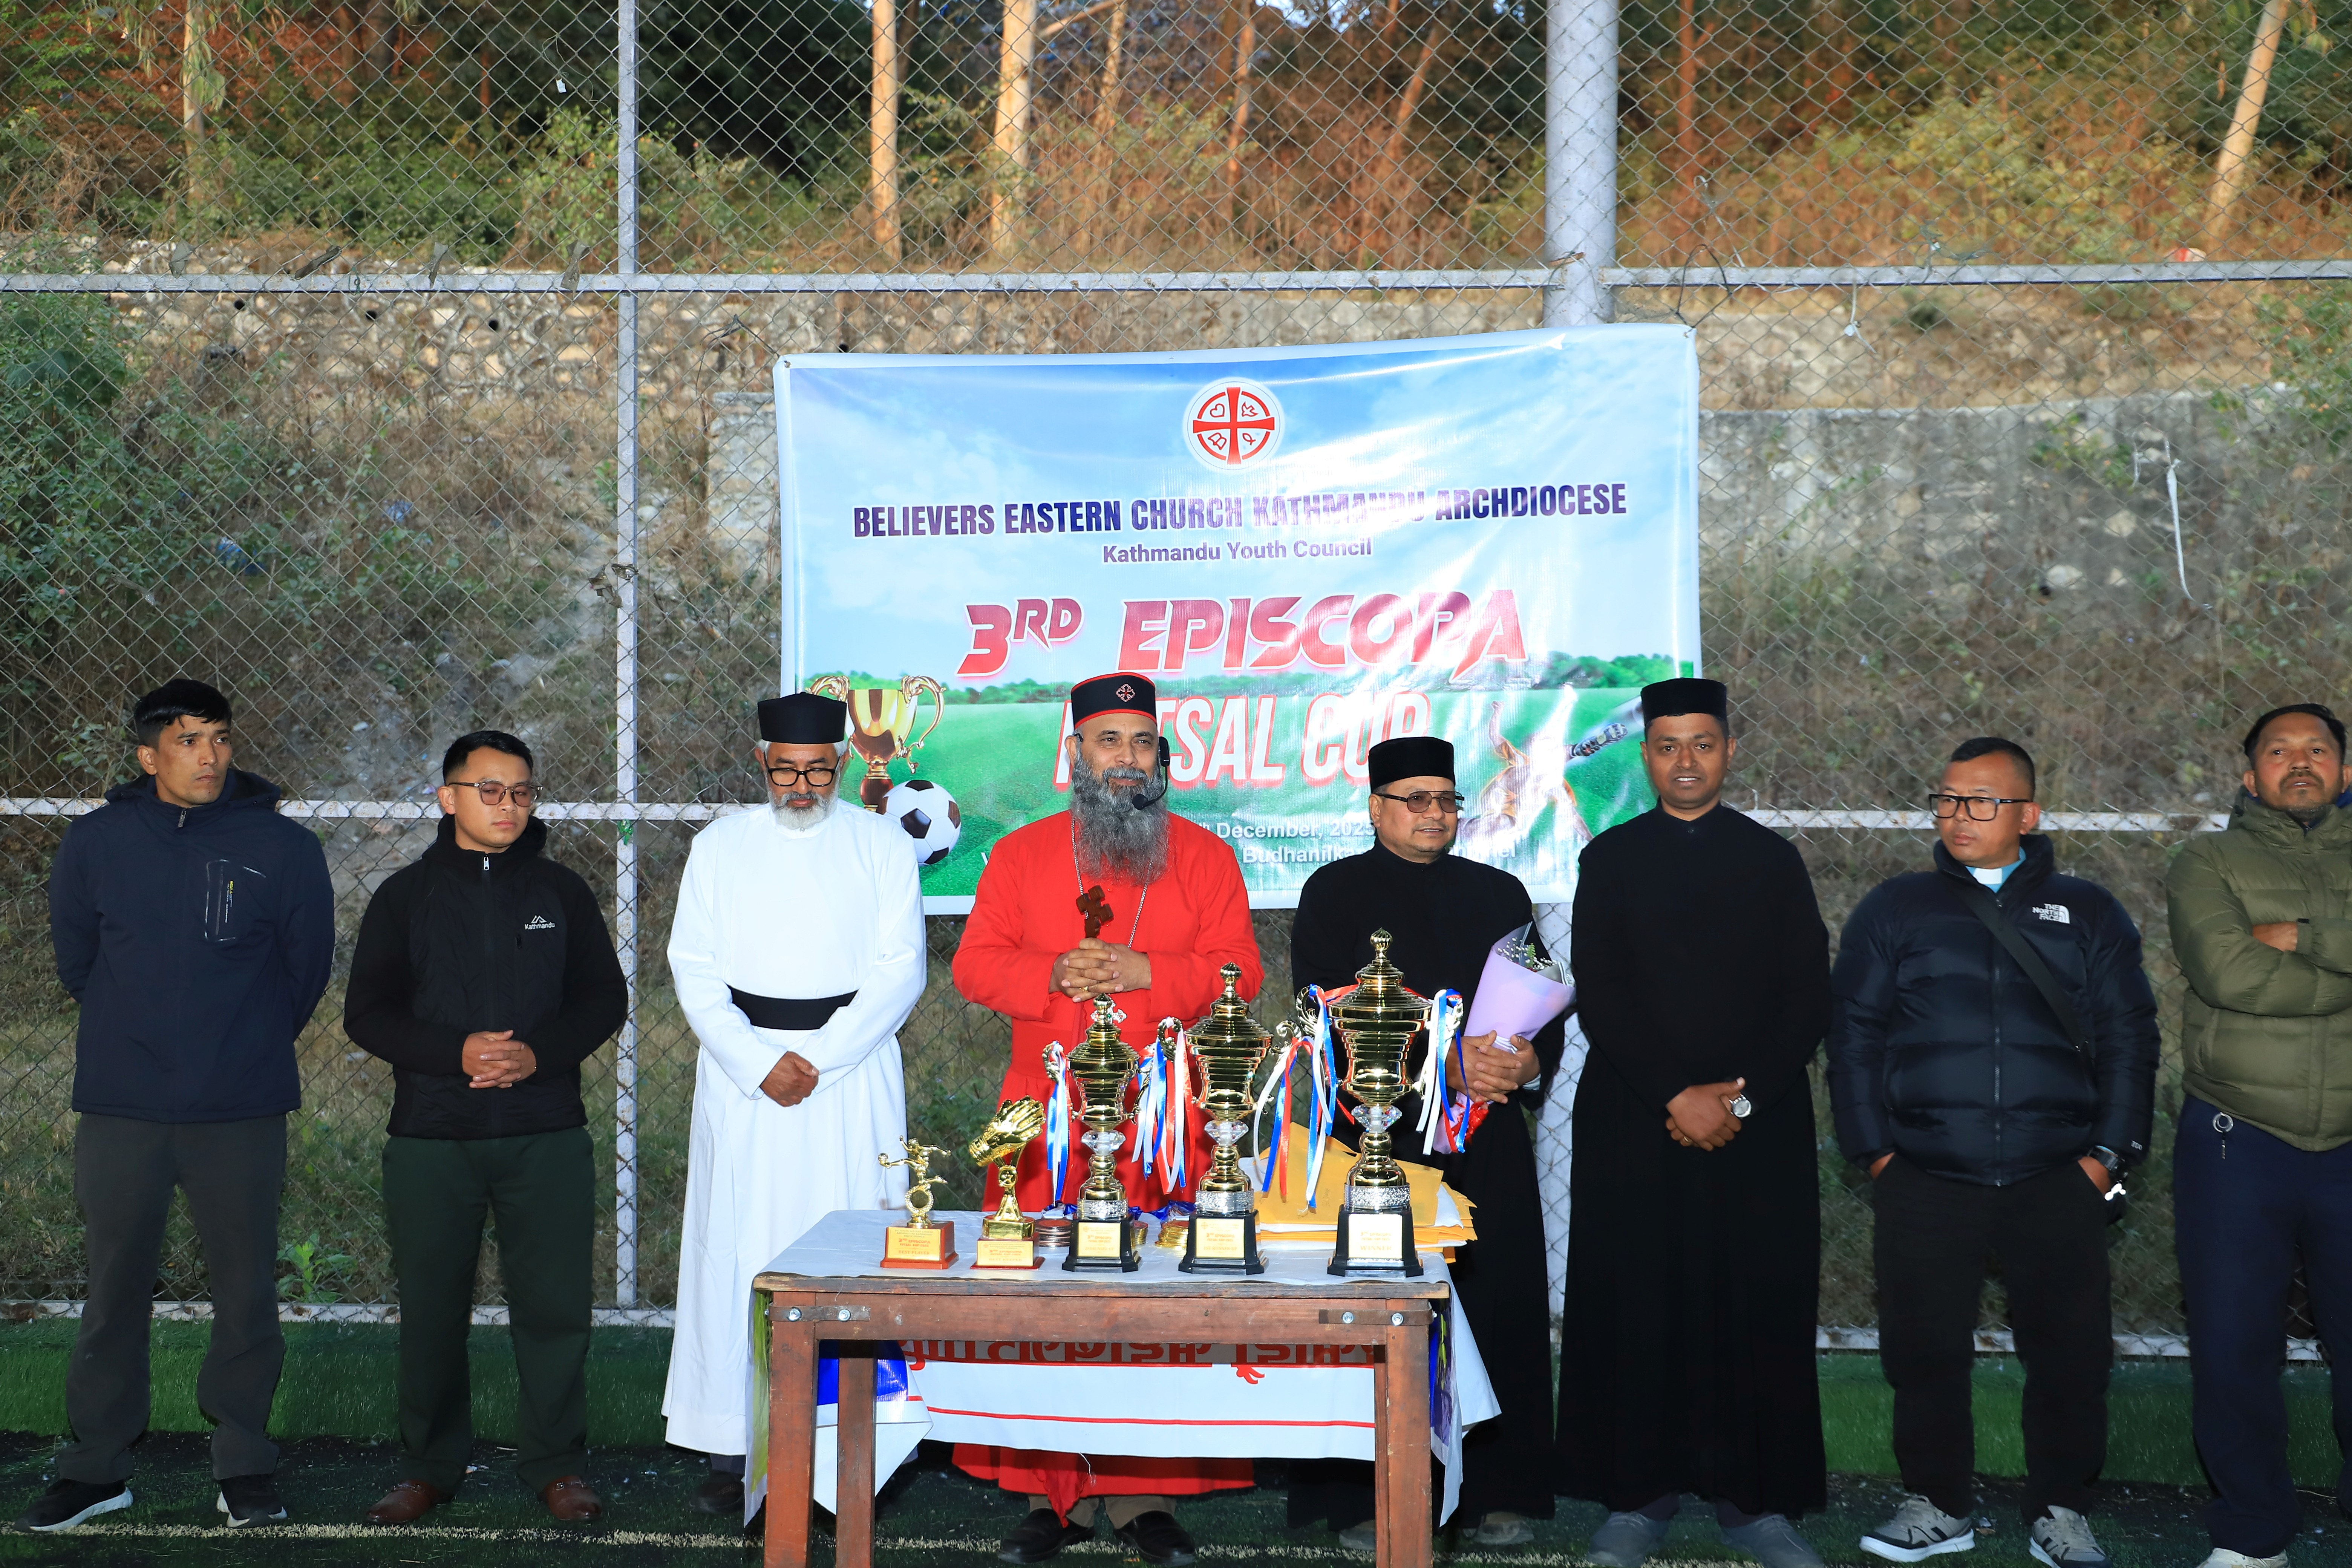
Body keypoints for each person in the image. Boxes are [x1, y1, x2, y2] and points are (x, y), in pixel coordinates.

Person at [952, 671, 1263, 1568]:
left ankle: (1143, 1492)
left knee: (1157, 1303)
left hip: (1163, 1113)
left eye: (1141, 742)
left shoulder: (1204, 856)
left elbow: (1237, 968)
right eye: (1107, 741)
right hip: (1042, 1111)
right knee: (1043, 1295)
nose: (1126, 759)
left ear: (1160, 754)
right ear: (1075, 754)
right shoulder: (1020, 855)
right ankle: (1052, 1495)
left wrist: (1141, 973)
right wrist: (1054, 970)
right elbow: (977, 967)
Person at [1828, 737, 2159, 1568]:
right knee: (1923, 1349)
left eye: (1979, 800)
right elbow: (1855, 1036)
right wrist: (1876, 1154)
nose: (1956, 815)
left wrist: (2108, 1156)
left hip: (2059, 1172)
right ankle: (1937, 1503)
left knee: (2070, 1355)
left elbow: (2130, 1037)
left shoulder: (2089, 911)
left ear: (2029, 815)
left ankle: (2061, 1509)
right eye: (1945, 799)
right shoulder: (1894, 908)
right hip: (1926, 1173)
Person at [18, 680, 334, 1534]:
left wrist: (240, 1047)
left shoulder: (284, 847)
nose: (209, 755)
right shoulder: (97, 842)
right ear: (147, 755)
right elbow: (80, 961)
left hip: (240, 1109)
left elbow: (305, 971)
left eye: (220, 738)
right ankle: (95, 1470)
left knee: (245, 1296)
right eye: (189, 740)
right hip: (124, 1108)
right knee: (113, 1290)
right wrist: (139, 1043)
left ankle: (244, 1465)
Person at [1557, 677, 1831, 1568]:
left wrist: (1736, 1098)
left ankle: (1757, 1503)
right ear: (1645, 756)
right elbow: (1602, 990)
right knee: (1640, 1301)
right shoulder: (1611, 860)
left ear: (1729, 752)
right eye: (1668, 745)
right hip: (1638, 1120)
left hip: (1759, 1127)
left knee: (1757, 1303)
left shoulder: (1772, 859)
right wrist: (1677, 1094)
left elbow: (1806, 997)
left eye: (1703, 744)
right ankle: (1638, 1497)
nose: (1685, 761)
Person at [343, 730, 627, 1526]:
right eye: (490, 790)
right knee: (432, 1309)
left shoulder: (562, 892)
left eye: (523, 791)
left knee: (556, 1309)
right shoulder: (404, 896)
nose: (509, 806)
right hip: (433, 1137)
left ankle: (557, 1464)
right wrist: (454, 1050)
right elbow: (366, 1013)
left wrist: (535, 1055)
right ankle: (428, 1465)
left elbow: (604, 1000)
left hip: (545, 1132)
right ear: (450, 798)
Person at [1288, 734, 1562, 1551]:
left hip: (1484, 1129)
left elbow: (1540, 1003)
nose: (1436, 813)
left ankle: (1495, 1491)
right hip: (1380, 1131)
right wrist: (1445, 1058)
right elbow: (1324, 1017)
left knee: (1496, 1293)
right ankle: (1371, 1494)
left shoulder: (1500, 890)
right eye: (1416, 799)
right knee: (1375, 1306)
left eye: (1446, 799)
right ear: (1376, 808)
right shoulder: (1334, 893)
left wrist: (1519, 1059)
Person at [662, 691, 926, 1516]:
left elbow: (900, 970)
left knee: (853, 1244)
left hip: (850, 1072)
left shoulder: (882, 843)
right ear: (761, 762)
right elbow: (693, 967)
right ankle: (733, 1445)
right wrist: (756, 1059)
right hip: (746, 1078)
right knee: (740, 1247)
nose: (801, 785)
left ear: (842, 764)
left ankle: (858, 1446)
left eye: (817, 769)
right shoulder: (719, 845)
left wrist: (816, 1057)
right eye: (786, 769)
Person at [2167, 702, 2352, 1568]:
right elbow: (2227, 970)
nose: (2300, 761)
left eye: (2318, 749)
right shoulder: (2205, 858)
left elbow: (2264, 964)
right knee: (2235, 1344)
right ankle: (2253, 1535)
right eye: (2279, 751)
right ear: (2250, 777)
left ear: (2346, 772)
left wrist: (2291, 944)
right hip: (2239, 1138)